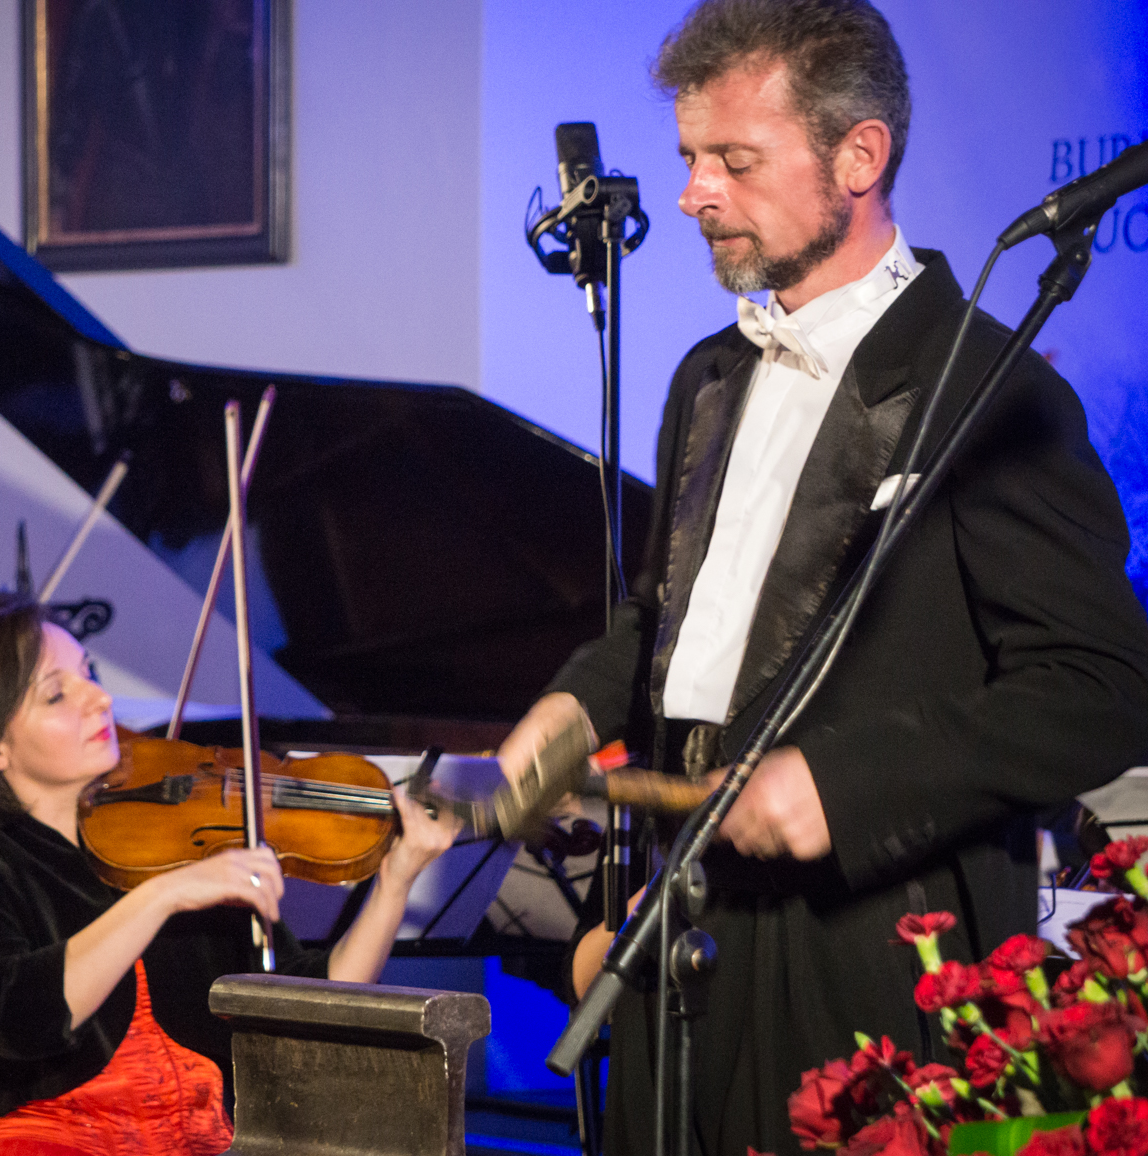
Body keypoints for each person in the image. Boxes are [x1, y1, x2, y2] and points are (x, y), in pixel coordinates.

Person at [492, 3, 1148, 1153]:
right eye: (691, 157)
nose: (693, 193)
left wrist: (841, 784)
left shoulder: (993, 392)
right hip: (679, 914)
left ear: (859, 157)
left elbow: (1102, 688)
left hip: (871, 946)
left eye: (734, 161)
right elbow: (667, 615)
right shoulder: (706, 376)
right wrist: (577, 702)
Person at [0, 602, 460, 1153]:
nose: (100, 698)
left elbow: (309, 1007)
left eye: (88, 673)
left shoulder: (179, 838)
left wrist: (394, 882)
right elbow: (16, 1016)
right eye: (56, 694)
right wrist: (165, 895)